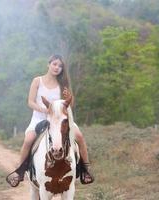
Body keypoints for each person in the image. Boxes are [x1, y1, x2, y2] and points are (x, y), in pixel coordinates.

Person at [6, 54, 94, 186]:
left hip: (58, 120)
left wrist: (69, 97)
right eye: (54, 64)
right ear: (49, 64)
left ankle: (85, 169)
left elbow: (69, 104)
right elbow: (30, 102)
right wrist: (44, 110)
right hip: (39, 118)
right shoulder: (37, 81)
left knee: (80, 137)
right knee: (29, 139)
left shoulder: (62, 84)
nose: (57, 68)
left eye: (60, 66)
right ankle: (20, 171)